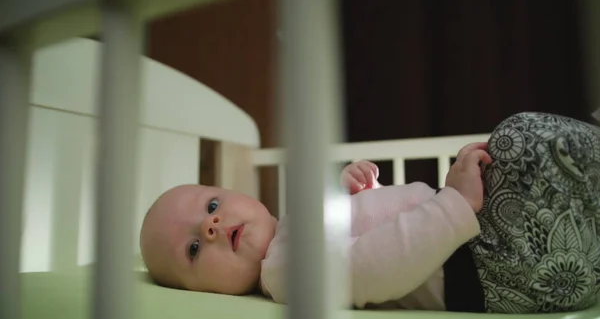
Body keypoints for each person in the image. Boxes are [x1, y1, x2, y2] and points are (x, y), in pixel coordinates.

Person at [139, 112, 600, 313]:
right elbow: (372, 265)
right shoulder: (281, 273)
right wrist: (455, 204)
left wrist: (363, 196)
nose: (212, 224)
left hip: (497, 251)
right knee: (522, 140)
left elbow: (363, 235)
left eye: (212, 205)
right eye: (194, 248)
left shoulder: (292, 238)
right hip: (487, 265)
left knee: (529, 154)